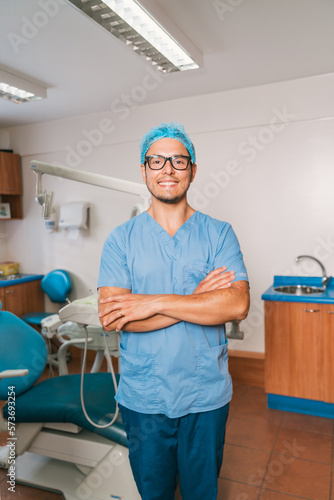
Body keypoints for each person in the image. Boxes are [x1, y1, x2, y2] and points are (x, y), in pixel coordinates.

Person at [97, 122, 250, 500]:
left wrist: (153, 301)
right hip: (145, 397)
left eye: (178, 160)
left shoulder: (218, 233)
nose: (168, 168)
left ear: (193, 170)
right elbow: (115, 317)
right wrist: (197, 299)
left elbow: (238, 304)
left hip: (205, 396)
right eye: (157, 160)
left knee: (201, 492)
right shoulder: (121, 240)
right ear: (144, 169)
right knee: (155, 492)